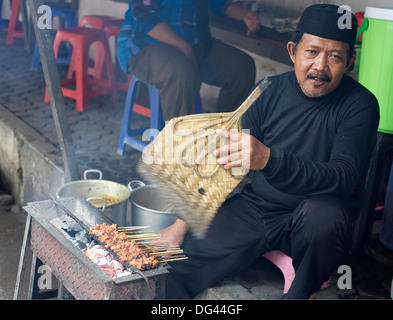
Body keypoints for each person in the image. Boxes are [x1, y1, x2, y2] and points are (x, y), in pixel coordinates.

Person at [161, 4, 380, 299]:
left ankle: (305, 290)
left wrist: (268, 159)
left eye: (335, 57)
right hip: (258, 209)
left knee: (325, 217)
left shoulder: (360, 106)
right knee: (178, 266)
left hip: (312, 220)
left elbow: (343, 176)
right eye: (311, 52)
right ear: (293, 51)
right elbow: (224, 163)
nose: (320, 66)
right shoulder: (268, 91)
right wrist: (179, 225)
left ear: (350, 62)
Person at [117, 0, 261, 120]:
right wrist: (184, 47)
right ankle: (175, 147)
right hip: (147, 44)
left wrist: (245, 15)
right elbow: (145, 16)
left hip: (196, 43)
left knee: (241, 68)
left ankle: (224, 140)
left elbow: (220, 3)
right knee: (181, 75)